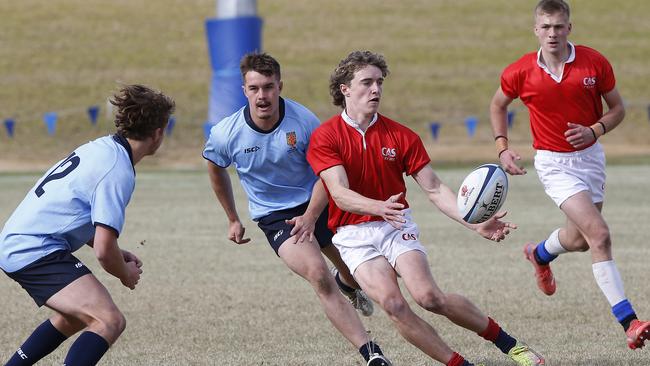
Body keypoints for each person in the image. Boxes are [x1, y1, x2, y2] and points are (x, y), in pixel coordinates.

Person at [306, 50, 545, 366]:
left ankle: (511, 345)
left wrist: (475, 222)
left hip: (395, 226)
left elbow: (434, 189)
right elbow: (338, 192)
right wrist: (379, 207)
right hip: (353, 234)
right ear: (345, 89)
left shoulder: (401, 135)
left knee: (429, 297)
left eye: (379, 82)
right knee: (394, 305)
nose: (376, 90)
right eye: (367, 83)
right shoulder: (327, 136)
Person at [202, 52, 391, 366]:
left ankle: (348, 282)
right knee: (318, 275)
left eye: (269, 87)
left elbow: (326, 173)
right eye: (255, 88)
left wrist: (311, 215)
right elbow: (215, 167)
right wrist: (232, 218)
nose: (262, 96)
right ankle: (371, 353)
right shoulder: (226, 133)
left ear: (280, 86)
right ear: (244, 90)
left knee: (359, 275)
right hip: (276, 217)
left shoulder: (303, 122)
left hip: (318, 201)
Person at [489, 0, 649, 351]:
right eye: (545, 27)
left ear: (569, 29)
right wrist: (503, 147)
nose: (552, 33)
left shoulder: (594, 62)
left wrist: (595, 130)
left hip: (591, 159)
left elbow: (619, 109)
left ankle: (540, 254)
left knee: (578, 240)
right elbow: (498, 104)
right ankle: (630, 321)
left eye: (559, 26)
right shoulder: (520, 71)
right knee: (600, 235)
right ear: (536, 30)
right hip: (553, 163)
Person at [1, 84, 175, 366]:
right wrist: (125, 274)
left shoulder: (101, 147)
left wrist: (118, 252)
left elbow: (74, 214)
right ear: (158, 133)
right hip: (33, 249)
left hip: (21, 241)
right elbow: (105, 253)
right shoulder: (117, 170)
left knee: (72, 317)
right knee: (108, 320)